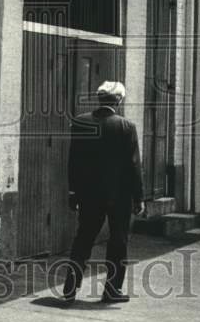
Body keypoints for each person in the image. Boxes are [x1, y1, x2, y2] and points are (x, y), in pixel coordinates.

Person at [62, 80, 146, 304]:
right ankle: (112, 290)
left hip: (89, 194)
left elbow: (74, 162)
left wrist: (73, 192)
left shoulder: (81, 122)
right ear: (119, 100)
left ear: (99, 98)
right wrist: (139, 197)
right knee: (118, 241)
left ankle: (70, 286)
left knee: (84, 238)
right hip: (120, 196)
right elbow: (134, 165)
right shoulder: (127, 127)